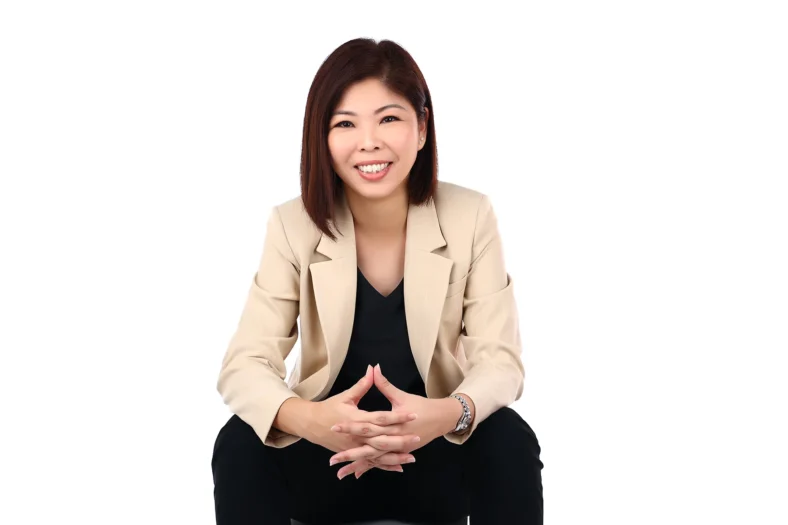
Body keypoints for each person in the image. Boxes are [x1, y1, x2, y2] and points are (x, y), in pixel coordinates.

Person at [211, 38, 544, 525]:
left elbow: (501, 361)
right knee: (239, 441)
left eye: (388, 119)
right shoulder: (292, 224)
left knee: (510, 438)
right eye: (345, 124)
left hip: (431, 453)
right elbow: (244, 364)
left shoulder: (470, 216)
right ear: (322, 138)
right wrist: (313, 421)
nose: (369, 142)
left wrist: (446, 414)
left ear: (422, 127)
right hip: (327, 457)